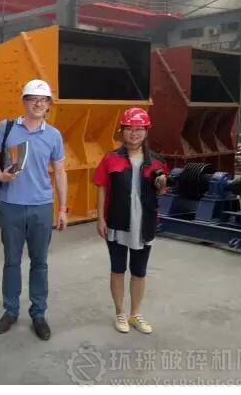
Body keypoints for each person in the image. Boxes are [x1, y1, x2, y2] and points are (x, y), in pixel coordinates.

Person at [0, 79, 68, 341]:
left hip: (41, 206)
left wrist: (63, 208)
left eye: (43, 100)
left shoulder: (53, 135)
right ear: (24, 101)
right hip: (11, 205)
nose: (38, 104)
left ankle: (38, 314)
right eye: (33, 99)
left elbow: (60, 172)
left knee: (39, 262)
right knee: (11, 261)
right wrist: (0, 175)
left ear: (49, 104)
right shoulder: (7, 127)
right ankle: (10, 311)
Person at [92, 107, 168, 335]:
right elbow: (101, 188)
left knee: (139, 270)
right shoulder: (111, 159)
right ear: (122, 131)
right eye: (129, 129)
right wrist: (101, 219)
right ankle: (120, 313)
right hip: (117, 221)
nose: (134, 133)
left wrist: (161, 186)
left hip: (145, 223)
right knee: (117, 269)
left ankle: (135, 313)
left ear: (146, 131)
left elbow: (161, 192)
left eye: (139, 129)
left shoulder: (157, 161)